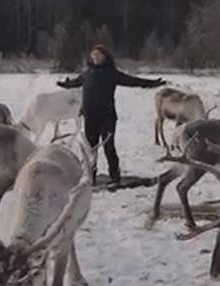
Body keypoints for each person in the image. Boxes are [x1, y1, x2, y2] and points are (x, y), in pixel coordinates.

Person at [56, 44, 165, 187]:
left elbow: (133, 81)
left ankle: (115, 177)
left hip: (106, 117)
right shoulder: (88, 72)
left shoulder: (112, 73)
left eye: (98, 55)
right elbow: (76, 82)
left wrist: (152, 83)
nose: (95, 57)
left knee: (109, 147)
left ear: (105, 57)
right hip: (90, 117)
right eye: (93, 55)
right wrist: (66, 84)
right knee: (90, 149)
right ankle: (91, 176)